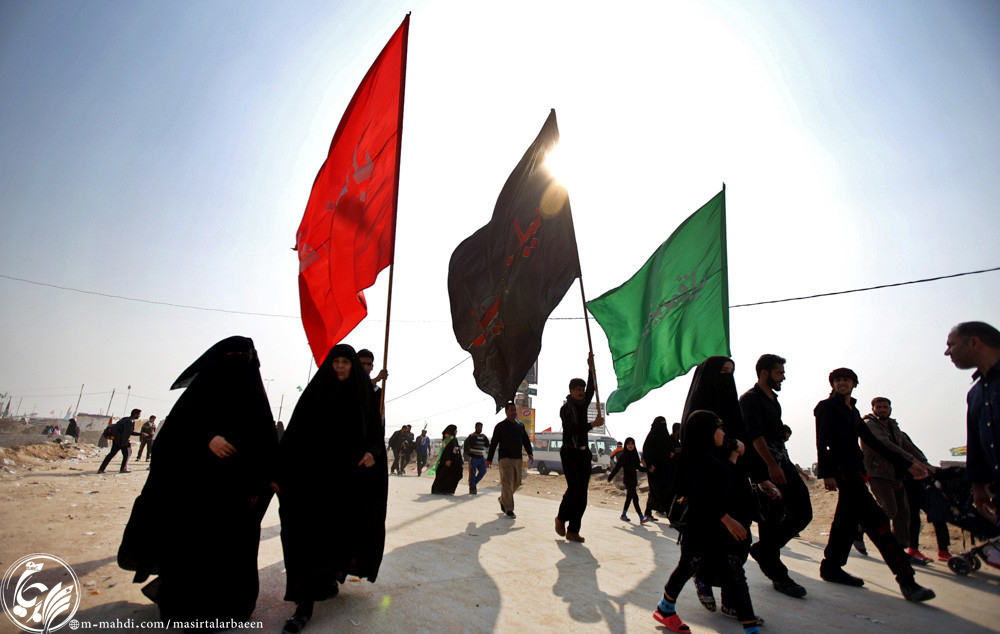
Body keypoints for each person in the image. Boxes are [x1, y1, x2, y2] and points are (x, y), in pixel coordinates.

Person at [116, 336, 278, 629]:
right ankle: (184, 609)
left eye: (243, 356)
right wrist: (207, 439)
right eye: (231, 355)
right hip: (195, 494)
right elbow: (169, 440)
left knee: (231, 555)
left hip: (236, 496)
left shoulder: (256, 401)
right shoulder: (199, 395)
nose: (237, 363)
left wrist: (260, 484)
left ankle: (230, 609)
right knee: (191, 553)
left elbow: (266, 448)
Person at [276, 344, 388, 634]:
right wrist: (279, 471)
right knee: (306, 540)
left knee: (335, 538)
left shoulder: (363, 397)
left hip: (346, 484)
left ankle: (328, 579)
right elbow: (294, 433)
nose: (340, 366)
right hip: (312, 482)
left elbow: (375, 435)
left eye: (345, 362)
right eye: (335, 361)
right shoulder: (316, 393)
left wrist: (372, 452)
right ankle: (303, 606)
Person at [814, 367, 935, 602]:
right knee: (878, 522)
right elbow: (821, 441)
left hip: (857, 473)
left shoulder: (853, 411)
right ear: (832, 384)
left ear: (854, 383)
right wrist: (826, 473)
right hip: (843, 474)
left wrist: (908, 463)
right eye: (837, 380)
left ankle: (831, 567)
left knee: (845, 523)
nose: (841, 383)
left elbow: (874, 443)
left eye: (846, 380)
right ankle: (906, 580)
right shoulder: (826, 407)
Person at [682, 356, 779, 612]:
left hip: (736, 481)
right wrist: (730, 446)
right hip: (709, 485)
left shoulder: (734, 410)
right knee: (713, 540)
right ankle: (703, 578)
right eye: (723, 372)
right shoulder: (697, 411)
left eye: (731, 372)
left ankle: (730, 598)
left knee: (739, 540)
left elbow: (747, 445)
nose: (727, 378)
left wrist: (762, 477)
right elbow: (695, 447)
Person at [652, 411, 761, 634]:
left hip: (714, 527)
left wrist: (733, 455)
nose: (723, 433)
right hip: (700, 526)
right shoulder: (696, 459)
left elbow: (723, 479)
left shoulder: (710, 455)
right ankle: (666, 609)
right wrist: (728, 520)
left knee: (729, 572)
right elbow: (701, 495)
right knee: (692, 567)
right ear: (706, 432)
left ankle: (665, 608)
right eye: (718, 428)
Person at [739, 354, 811, 599]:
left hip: (783, 461)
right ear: (764, 373)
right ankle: (778, 575)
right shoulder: (749, 399)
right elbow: (755, 435)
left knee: (803, 512)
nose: (783, 377)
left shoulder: (773, 400)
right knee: (769, 521)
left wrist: (782, 463)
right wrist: (770, 465)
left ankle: (764, 550)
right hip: (765, 465)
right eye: (779, 372)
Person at [861, 397, 935, 565]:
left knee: (903, 513)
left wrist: (923, 462)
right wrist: (910, 461)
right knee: (889, 509)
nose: (882, 410)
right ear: (873, 409)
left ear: (890, 409)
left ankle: (900, 549)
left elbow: (907, 445)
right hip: (878, 472)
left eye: (885, 407)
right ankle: (860, 528)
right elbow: (885, 444)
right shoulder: (870, 425)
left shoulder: (894, 427)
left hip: (897, 473)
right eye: (879, 407)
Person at [945, 321, 1000, 525]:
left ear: (974, 342)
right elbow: (976, 443)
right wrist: (978, 487)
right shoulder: (975, 394)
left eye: (951, 345)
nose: (947, 352)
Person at [555, 354, 603, 542]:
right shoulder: (566, 409)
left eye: (582, 389)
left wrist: (591, 368)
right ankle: (561, 518)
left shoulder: (583, 405)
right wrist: (592, 424)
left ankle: (573, 530)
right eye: (578, 390)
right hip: (569, 452)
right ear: (571, 391)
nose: (582, 392)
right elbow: (573, 429)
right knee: (574, 488)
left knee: (583, 493)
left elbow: (592, 388)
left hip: (584, 453)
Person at [486, 403, 533, 520]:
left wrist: (530, 453)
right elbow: (494, 443)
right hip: (505, 459)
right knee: (507, 483)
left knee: (517, 482)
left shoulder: (520, 426)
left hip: (517, 459)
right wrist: (489, 459)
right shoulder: (500, 426)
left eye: (515, 410)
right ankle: (509, 509)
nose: (514, 412)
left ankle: (503, 499)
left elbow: (526, 440)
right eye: (511, 410)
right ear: (506, 412)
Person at [642, 417, 678, 522]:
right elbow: (646, 451)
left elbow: (669, 448)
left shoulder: (666, 437)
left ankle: (664, 513)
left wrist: (671, 453)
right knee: (654, 490)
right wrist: (649, 465)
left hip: (665, 469)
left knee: (664, 491)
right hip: (654, 470)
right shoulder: (651, 437)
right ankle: (652, 512)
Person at [606, 437, 647, 523]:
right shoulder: (623, 456)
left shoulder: (635, 455)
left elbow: (639, 467)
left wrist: (648, 470)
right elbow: (617, 467)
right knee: (635, 497)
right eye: (628, 444)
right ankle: (641, 516)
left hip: (634, 479)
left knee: (629, 497)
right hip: (627, 480)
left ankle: (623, 514)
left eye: (632, 444)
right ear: (625, 445)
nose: (630, 446)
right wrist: (610, 477)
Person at [98, 409, 142, 473]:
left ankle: (101, 469)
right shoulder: (130, 421)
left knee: (111, 454)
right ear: (135, 414)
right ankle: (123, 469)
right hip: (122, 441)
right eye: (139, 414)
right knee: (127, 454)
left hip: (116, 439)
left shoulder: (125, 419)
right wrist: (125, 443)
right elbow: (126, 433)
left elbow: (125, 431)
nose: (139, 416)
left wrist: (140, 434)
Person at [430, 424, 463, 494]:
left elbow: (456, 450)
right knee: (444, 474)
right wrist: (447, 460)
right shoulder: (449, 440)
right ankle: (439, 490)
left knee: (455, 474)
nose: (456, 432)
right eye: (455, 430)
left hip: (454, 461)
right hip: (448, 461)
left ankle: (448, 490)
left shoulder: (453, 439)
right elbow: (445, 451)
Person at [463, 422, 490, 494]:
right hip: (473, 457)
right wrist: (467, 453)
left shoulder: (483, 436)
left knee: (483, 471)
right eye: (478, 427)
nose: (480, 429)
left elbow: (487, 445)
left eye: (481, 427)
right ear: (475, 427)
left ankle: (474, 483)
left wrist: (485, 438)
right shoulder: (472, 436)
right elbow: (466, 444)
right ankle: (472, 489)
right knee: (472, 473)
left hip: (481, 457)